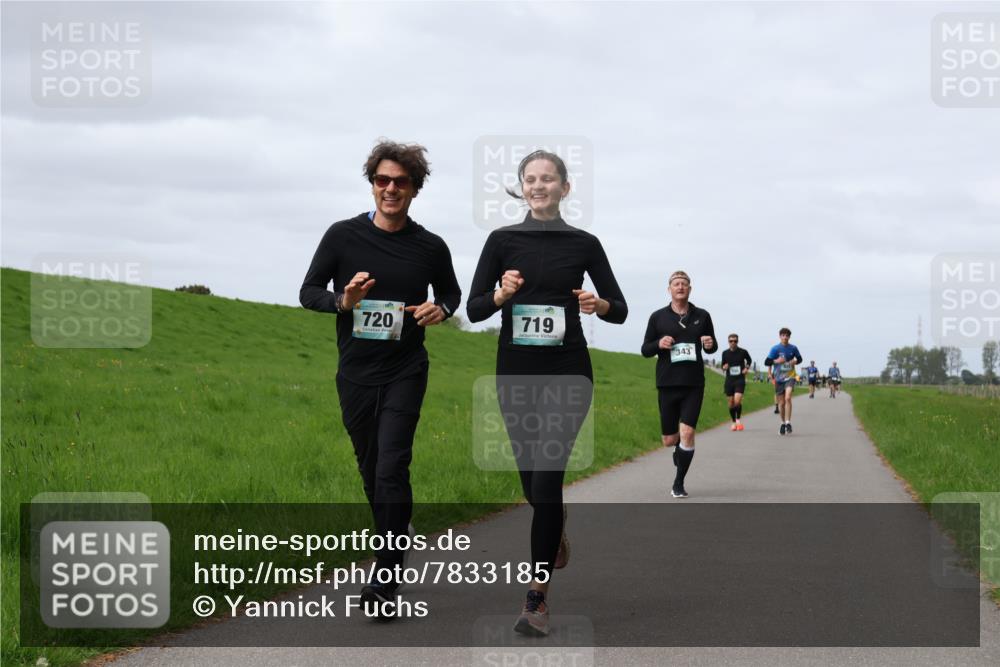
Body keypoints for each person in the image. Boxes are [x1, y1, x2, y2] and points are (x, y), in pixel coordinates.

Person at [467, 149, 627, 637]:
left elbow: (618, 308)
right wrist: (500, 294)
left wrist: (596, 302)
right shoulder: (501, 240)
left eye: (548, 179)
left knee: (546, 482)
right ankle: (552, 526)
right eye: (530, 179)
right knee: (532, 487)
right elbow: (474, 309)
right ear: (522, 187)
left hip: (567, 370)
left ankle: (536, 599)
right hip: (515, 372)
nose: (538, 186)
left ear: (565, 187)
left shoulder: (584, 244)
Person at [299, 139, 461, 618]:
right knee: (371, 470)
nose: (390, 189)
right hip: (354, 373)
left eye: (401, 182)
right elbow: (308, 291)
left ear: (415, 189)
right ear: (372, 184)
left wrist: (441, 308)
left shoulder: (430, 246)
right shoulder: (342, 236)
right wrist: (342, 302)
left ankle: (385, 576)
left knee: (392, 466)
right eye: (382, 180)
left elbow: (450, 292)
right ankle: (395, 532)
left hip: (405, 370)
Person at [641, 271, 717, 498]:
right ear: (669, 289)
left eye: (684, 284)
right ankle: (678, 449)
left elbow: (712, 347)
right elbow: (645, 350)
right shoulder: (658, 317)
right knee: (669, 440)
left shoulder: (702, 316)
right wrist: (658, 343)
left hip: (694, 383)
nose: (680, 287)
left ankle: (678, 483)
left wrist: (710, 343)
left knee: (688, 432)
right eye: (676, 284)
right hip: (667, 383)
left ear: (690, 289)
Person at [764, 328, 803, 435]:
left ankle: (788, 422)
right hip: (778, 379)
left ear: (789, 337)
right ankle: (782, 423)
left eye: (787, 335)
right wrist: (776, 361)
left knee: (788, 397)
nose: (785, 337)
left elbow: (800, 359)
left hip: (790, 377)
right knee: (781, 403)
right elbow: (766, 362)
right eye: (783, 335)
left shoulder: (793, 348)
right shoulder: (775, 349)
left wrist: (795, 361)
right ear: (780, 336)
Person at [720, 334, 752, 431]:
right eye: (731, 341)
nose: (733, 343)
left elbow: (749, 360)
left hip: (740, 379)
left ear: (737, 341)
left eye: (735, 341)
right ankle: (733, 422)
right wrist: (724, 367)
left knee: (737, 401)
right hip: (729, 380)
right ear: (728, 342)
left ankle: (738, 420)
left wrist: (746, 368)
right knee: (731, 403)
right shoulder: (725, 353)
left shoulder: (743, 352)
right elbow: (723, 365)